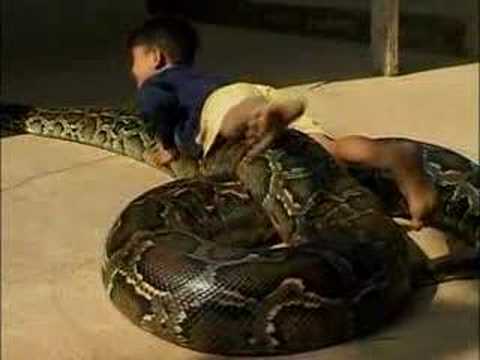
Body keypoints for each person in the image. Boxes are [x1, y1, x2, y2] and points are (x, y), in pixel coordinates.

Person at [127, 15, 436, 230]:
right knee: (328, 149)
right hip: (256, 92)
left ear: (155, 58)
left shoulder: (159, 84)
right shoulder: (200, 77)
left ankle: (263, 116)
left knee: (236, 123)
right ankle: (393, 154)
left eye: (134, 62)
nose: (133, 72)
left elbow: (153, 110)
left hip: (226, 106)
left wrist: (165, 144)